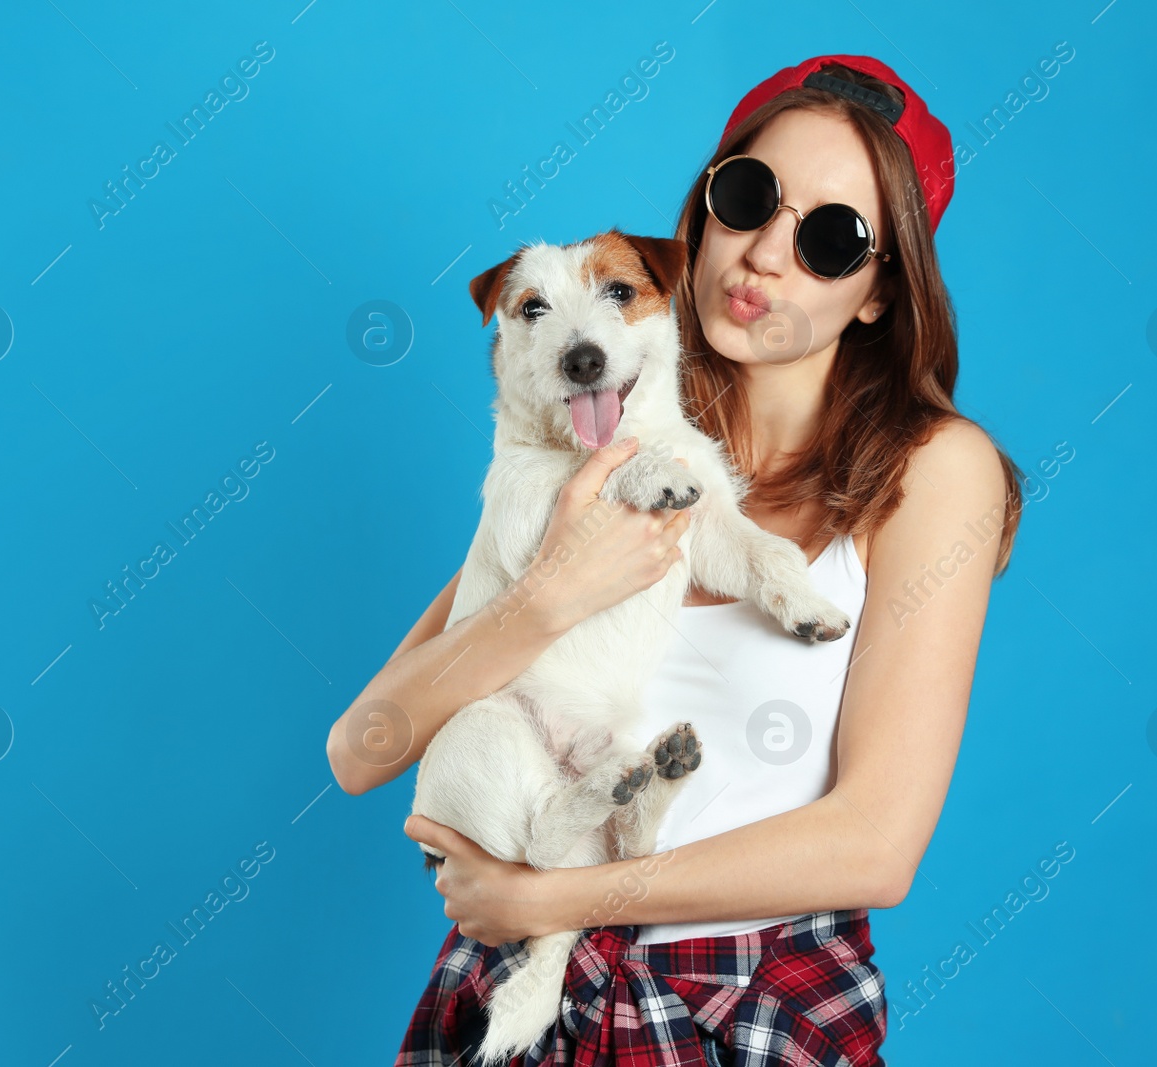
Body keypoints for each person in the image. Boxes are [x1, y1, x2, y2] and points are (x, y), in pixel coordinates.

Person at [330, 53, 1025, 1066]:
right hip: (525, 997)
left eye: (833, 239)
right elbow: (363, 746)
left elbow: (876, 842)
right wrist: (550, 595)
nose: (767, 256)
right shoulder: (596, 439)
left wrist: (551, 896)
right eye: (748, 198)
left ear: (879, 291)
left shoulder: (931, 471)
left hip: (745, 1001)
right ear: (701, 213)